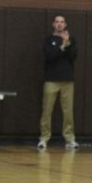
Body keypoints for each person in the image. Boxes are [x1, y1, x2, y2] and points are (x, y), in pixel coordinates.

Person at [38, 14, 78, 150]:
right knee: (47, 110)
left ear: (65, 24)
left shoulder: (71, 39)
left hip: (67, 80)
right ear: (53, 24)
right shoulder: (48, 40)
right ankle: (43, 138)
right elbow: (50, 56)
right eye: (57, 22)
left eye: (62, 22)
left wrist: (68, 44)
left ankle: (70, 139)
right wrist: (62, 47)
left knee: (68, 112)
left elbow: (73, 56)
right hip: (51, 80)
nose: (59, 24)